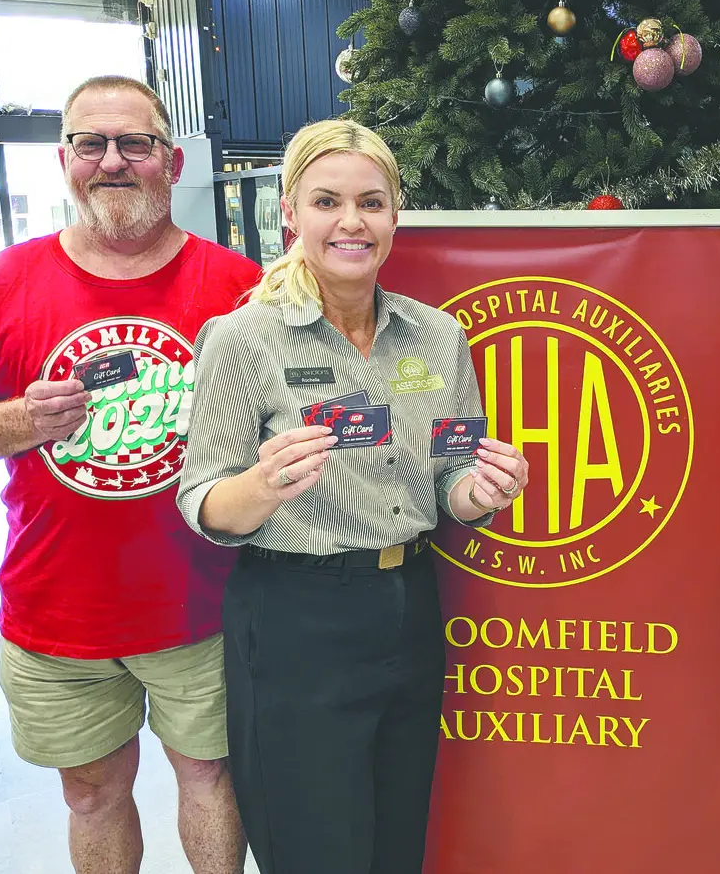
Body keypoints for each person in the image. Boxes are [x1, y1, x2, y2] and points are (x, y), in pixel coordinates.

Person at [0, 75, 259, 874]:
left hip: (206, 599)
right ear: (64, 160)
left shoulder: (240, 288)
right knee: (90, 792)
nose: (112, 161)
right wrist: (19, 421)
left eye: (134, 143)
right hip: (57, 605)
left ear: (171, 162)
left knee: (211, 775)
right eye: (90, 144)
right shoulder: (1, 283)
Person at [176, 118, 530, 874]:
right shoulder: (244, 339)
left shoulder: (439, 337)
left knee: (397, 841)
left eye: (371, 202)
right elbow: (202, 501)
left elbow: (450, 479)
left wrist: (481, 490)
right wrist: (263, 485)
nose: (350, 221)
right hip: (295, 618)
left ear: (395, 214)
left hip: (408, 605)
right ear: (289, 213)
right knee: (315, 849)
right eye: (327, 201)